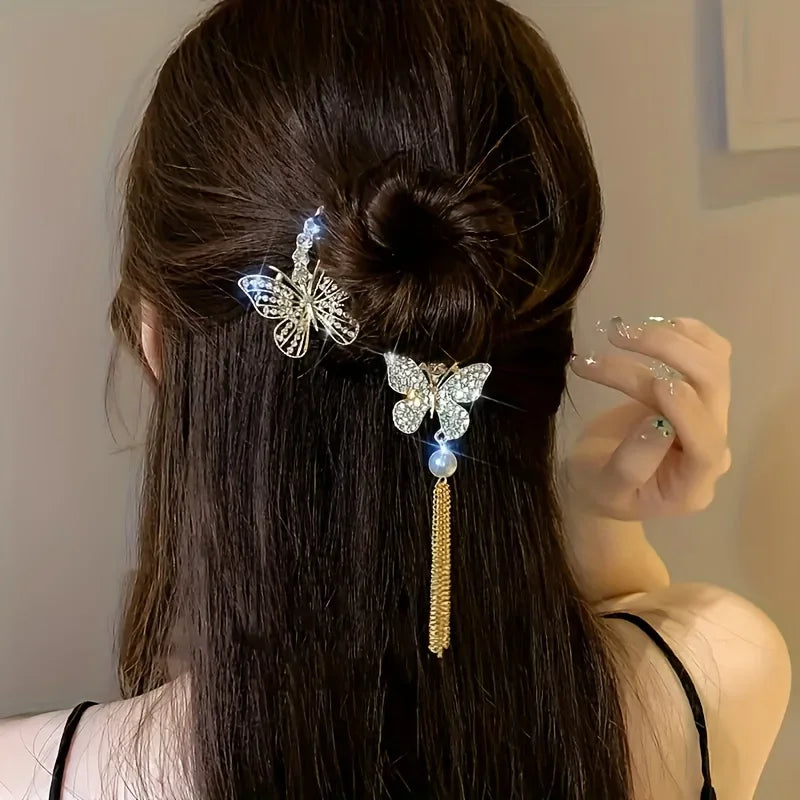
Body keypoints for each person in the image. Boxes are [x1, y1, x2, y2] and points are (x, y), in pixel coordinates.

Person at [0, 0, 790, 798]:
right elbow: (627, 646)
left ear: (157, 342)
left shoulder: (32, 775)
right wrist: (602, 526)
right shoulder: (717, 683)